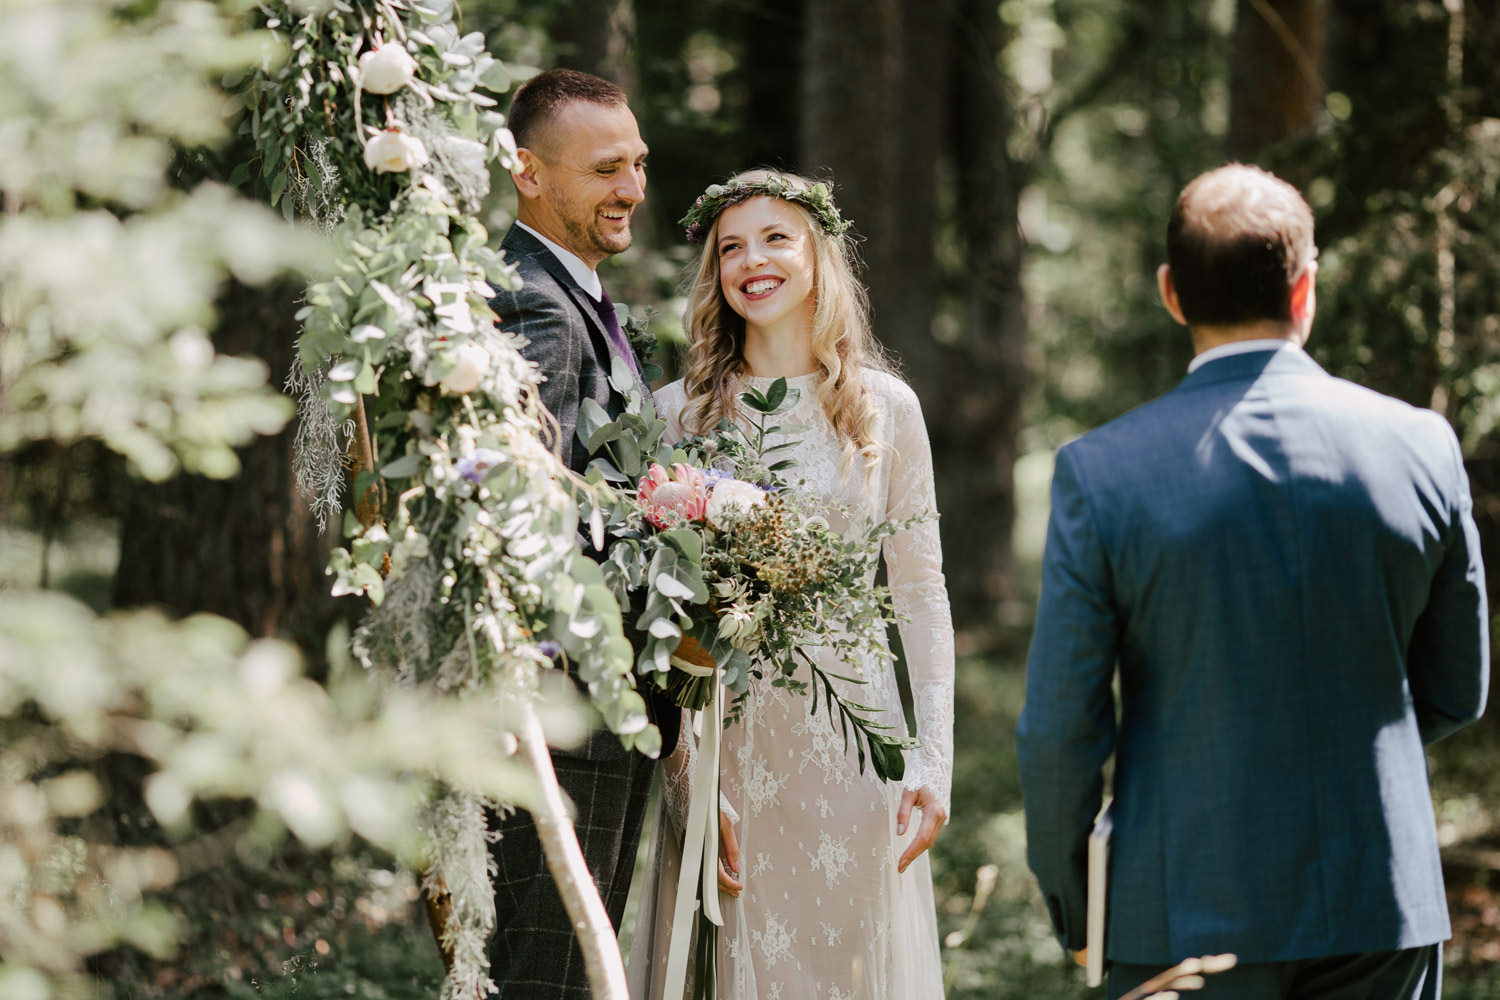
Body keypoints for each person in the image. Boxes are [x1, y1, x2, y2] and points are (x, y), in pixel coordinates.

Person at [1017, 163, 1489, 1000]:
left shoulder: (1104, 472)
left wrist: (1081, 909)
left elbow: (1061, 730)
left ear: (1171, 293)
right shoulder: (1422, 445)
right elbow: (1459, 688)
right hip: (1379, 893)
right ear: (1306, 289)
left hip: (1180, 901)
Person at [627, 170, 955, 999]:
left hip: (854, 742)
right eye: (730, 246)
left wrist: (932, 759)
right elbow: (657, 614)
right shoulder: (676, 415)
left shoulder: (888, 410)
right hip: (727, 749)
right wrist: (686, 782)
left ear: (820, 258)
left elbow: (920, 592)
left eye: (776, 237)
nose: (753, 260)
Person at [484, 67, 679, 999]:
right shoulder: (534, 306)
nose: (633, 189)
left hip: (593, 715)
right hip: (562, 723)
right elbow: (533, 520)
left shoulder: (578, 297)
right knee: (548, 978)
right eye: (606, 169)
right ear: (528, 172)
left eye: (637, 163)